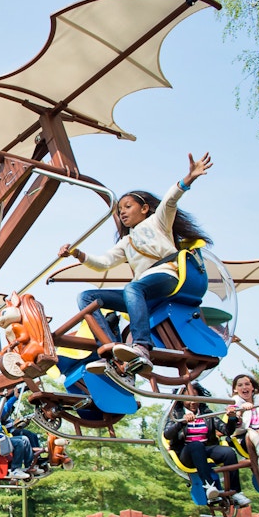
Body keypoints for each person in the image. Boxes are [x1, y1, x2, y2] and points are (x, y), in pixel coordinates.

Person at [58, 151, 214, 375]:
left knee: (133, 287)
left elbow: (170, 200)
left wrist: (188, 179)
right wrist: (78, 254)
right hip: (143, 290)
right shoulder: (126, 242)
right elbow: (103, 262)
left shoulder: (158, 222)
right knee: (87, 297)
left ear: (144, 209)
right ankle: (111, 347)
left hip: (167, 277)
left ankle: (141, 346)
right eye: (120, 210)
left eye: (128, 206)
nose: (122, 212)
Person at [164, 382, 251, 506]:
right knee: (196, 445)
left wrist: (232, 418)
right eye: (188, 398)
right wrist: (181, 422)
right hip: (186, 453)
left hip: (205, 449)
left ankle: (235, 491)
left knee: (229, 453)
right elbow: (167, 434)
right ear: (181, 400)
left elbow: (226, 430)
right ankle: (209, 487)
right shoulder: (175, 414)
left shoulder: (205, 412)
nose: (193, 402)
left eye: (196, 398)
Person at [0, 392, 42, 480]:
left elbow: (6, 407)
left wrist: (15, 397)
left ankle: (29, 465)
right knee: (19, 442)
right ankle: (15, 469)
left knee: (25, 438)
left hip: (2, 440)